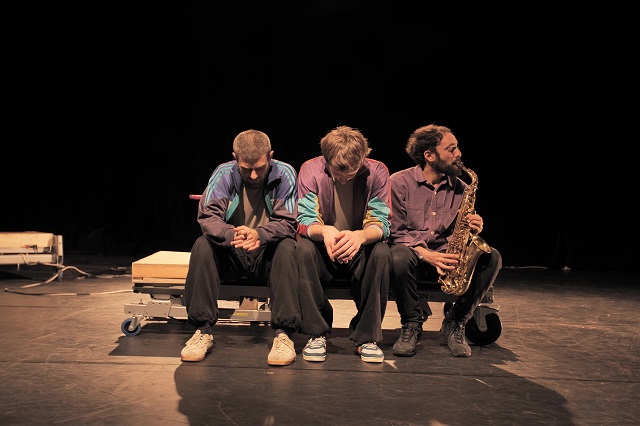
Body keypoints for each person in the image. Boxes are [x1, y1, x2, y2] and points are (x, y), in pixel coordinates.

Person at [181, 129, 301, 366]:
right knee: (202, 245)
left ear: (271, 156)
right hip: (233, 250)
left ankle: (284, 334)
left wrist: (259, 234)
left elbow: (289, 222)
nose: (254, 175)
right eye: (246, 169)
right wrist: (232, 235)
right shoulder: (223, 173)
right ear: (235, 158)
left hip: (266, 252)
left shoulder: (285, 173)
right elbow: (208, 217)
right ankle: (202, 331)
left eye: (260, 168)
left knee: (288, 246)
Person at [388, 124, 502, 357]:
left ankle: (456, 321)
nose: (458, 153)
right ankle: (411, 323)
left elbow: (458, 234)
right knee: (398, 255)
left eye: (457, 147)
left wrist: (472, 228)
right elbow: (396, 232)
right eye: (451, 149)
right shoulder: (398, 182)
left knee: (493, 257)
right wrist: (426, 254)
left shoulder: (462, 188)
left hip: (446, 257)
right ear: (429, 155)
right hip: (413, 256)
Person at [295, 125, 392, 363]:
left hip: (360, 248)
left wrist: (359, 236)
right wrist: (325, 231)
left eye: (352, 173)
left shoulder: (377, 171)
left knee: (381, 251)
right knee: (303, 248)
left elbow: (382, 222)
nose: (345, 178)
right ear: (326, 160)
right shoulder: (310, 169)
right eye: (338, 173)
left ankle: (367, 337)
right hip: (324, 247)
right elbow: (305, 221)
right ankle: (316, 334)